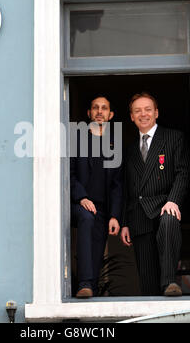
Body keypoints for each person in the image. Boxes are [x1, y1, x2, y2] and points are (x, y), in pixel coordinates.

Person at [121, 92, 190, 296]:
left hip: (163, 207)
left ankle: (170, 281)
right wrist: (125, 221)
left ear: (156, 113)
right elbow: (128, 189)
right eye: (138, 111)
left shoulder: (173, 137)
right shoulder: (130, 150)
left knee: (170, 220)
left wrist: (173, 201)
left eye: (148, 109)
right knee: (148, 284)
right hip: (139, 216)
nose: (144, 114)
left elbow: (183, 172)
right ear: (132, 116)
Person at [70, 95, 123, 298]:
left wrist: (115, 216)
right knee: (86, 217)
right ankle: (83, 284)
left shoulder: (113, 145)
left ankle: (89, 287)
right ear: (89, 113)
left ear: (110, 115)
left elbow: (118, 184)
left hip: (102, 209)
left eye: (104, 108)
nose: (99, 111)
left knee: (98, 249)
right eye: (95, 108)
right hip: (79, 204)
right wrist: (82, 197)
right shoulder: (77, 139)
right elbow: (69, 173)